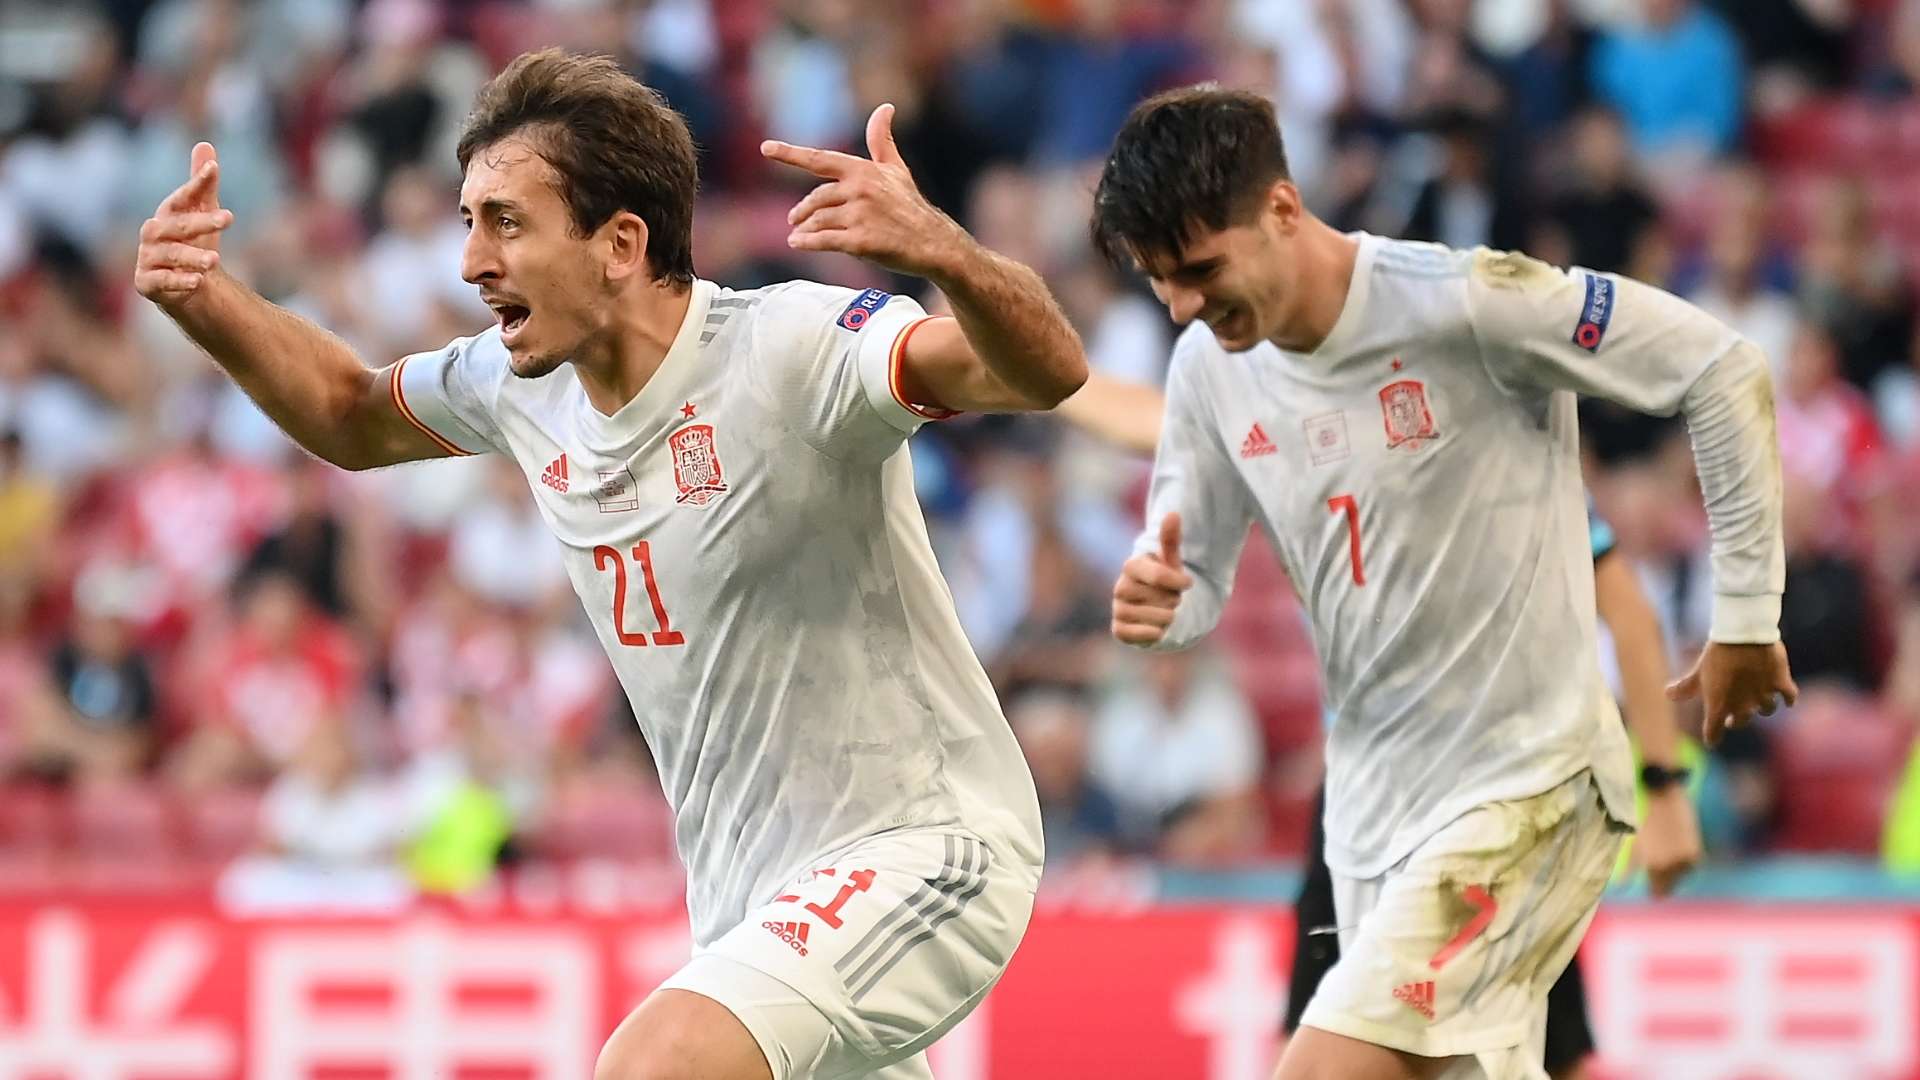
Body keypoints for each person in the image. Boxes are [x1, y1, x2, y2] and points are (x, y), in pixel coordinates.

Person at [133, 47, 1087, 1080]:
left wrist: (947, 253)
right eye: (469, 221)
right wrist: (205, 297)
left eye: (507, 222)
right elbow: (350, 411)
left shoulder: (791, 349)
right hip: (751, 904)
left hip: (927, 846)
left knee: (652, 1064)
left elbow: (1044, 370)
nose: (471, 262)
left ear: (621, 244)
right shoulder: (520, 383)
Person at [1087, 86, 1793, 1080]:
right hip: (1368, 821)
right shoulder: (1209, 368)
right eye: (1160, 283)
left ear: (1283, 208)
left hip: (1528, 785)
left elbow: (1719, 368)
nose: (1182, 307)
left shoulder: (1467, 302)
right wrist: (1164, 601)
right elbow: (1190, 570)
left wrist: (1746, 616)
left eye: (1200, 271)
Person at [1056, 377, 1703, 1079]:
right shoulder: (1313, 432)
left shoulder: (1511, 456)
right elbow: (1167, 423)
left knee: (1526, 1053)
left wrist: (1664, 789)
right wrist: (1025, 363)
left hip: (1485, 800)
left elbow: (1631, 619)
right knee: (1312, 1046)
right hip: (1357, 799)